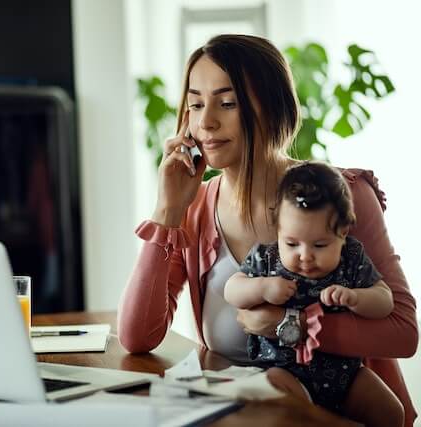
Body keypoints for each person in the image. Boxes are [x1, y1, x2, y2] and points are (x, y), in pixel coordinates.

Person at [117, 34, 418, 426]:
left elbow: (402, 333)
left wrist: (285, 325)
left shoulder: (342, 195)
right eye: (195, 104)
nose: (206, 121)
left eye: (227, 103)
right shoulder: (195, 210)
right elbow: (136, 338)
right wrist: (167, 209)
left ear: (272, 108)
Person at [224, 161, 400, 425]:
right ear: (278, 231)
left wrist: (357, 298)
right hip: (283, 371)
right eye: (292, 243)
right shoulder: (268, 259)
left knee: (391, 412)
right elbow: (231, 290)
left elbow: (384, 300)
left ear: (343, 234)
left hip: (346, 376)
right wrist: (262, 287)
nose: (305, 256)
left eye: (319, 244)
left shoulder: (351, 257)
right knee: (282, 399)